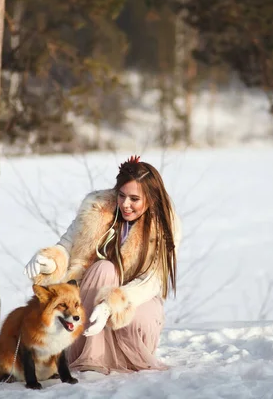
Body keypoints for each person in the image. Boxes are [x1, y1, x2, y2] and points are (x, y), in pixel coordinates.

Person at [23, 155, 181, 374]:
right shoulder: (96, 209)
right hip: (89, 299)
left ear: (151, 199)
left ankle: (120, 358)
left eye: (134, 199)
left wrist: (110, 304)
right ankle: (92, 357)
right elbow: (67, 245)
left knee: (140, 318)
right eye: (122, 195)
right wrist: (49, 261)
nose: (126, 204)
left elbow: (152, 281)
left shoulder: (164, 226)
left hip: (135, 300)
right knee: (104, 268)